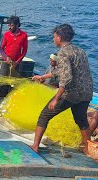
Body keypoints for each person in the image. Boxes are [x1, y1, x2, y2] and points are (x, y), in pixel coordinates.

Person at [29, 24, 93, 156]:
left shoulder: (63, 53)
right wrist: (42, 76)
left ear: (59, 37)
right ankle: (87, 149)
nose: (53, 39)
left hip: (71, 93)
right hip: (86, 92)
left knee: (44, 116)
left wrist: (56, 98)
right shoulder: (80, 51)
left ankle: (35, 146)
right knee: (81, 120)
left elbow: (66, 78)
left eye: (54, 37)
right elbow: (61, 71)